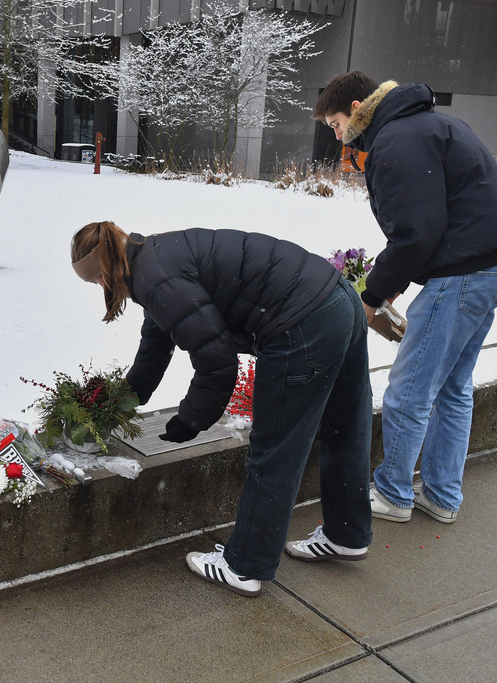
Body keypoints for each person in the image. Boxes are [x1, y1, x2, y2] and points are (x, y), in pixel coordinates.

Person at [70, 221, 373, 598]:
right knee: (344, 426)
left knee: (275, 450)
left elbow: (216, 359)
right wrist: (119, 402)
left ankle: (244, 566)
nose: (101, 288)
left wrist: (191, 419)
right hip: (336, 298)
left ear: (104, 271)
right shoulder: (154, 256)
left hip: (300, 322)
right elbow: (155, 344)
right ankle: (347, 533)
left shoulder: (155, 278)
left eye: (96, 281)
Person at [314, 72, 497, 525]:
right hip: (485, 269)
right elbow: (435, 217)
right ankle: (441, 495)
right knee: (452, 389)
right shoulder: (435, 124)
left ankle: (394, 493)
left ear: (357, 107)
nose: (338, 136)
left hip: (459, 276)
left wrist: (371, 296)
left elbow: (416, 232)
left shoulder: (396, 139)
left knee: (408, 392)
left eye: (336, 123)